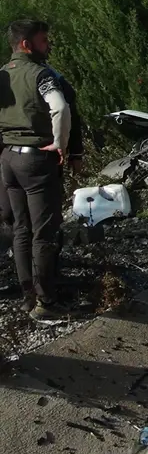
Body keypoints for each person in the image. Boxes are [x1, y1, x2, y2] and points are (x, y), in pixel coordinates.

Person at [0, 19, 72, 322]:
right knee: (44, 233)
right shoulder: (41, 75)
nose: (49, 46)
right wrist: (60, 144)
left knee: (20, 229)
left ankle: (27, 297)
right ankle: (46, 302)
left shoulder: (2, 75)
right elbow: (60, 107)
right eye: (44, 41)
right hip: (36, 161)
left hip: (7, 159)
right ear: (26, 45)